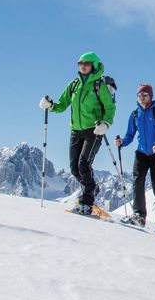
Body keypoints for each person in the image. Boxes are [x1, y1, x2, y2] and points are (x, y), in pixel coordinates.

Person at [39, 52, 116, 215]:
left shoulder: (99, 85)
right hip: (76, 130)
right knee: (74, 167)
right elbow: (62, 104)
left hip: (94, 130)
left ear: (94, 65)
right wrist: (51, 105)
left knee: (83, 163)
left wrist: (105, 124)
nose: (83, 66)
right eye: (80, 64)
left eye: (86, 64)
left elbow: (109, 107)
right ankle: (92, 188)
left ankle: (86, 203)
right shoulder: (74, 85)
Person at [115, 84, 155, 229]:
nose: (142, 98)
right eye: (139, 95)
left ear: (150, 96)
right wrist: (122, 142)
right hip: (141, 152)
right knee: (138, 182)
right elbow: (130, 134)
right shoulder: (135, 114)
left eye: (145, 95)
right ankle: (139, 216)